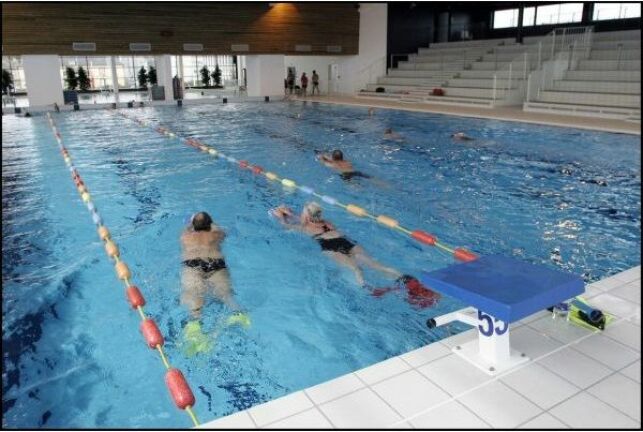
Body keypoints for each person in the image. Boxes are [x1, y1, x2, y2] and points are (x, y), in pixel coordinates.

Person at [270, 203, 440, 307]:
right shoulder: (328, 223)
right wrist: (293, 214)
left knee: (355, 270)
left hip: (330, 247)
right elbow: (311, 218)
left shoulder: (305, 227)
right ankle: (409, 281)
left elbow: (289, 226)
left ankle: (368, 290)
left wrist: (282, 218)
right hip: (347, 242)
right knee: (376, 265)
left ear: (306, 216)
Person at [180, 212, 250, 354]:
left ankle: (195, 327)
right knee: (226, 295)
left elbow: (187, 228)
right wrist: (212, 224)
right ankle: (238, 314)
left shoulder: (185, 236)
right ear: (210, 224)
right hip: (216, 264)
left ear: (193, 225)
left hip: (193, 265)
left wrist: (191, 223)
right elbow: (221, 230)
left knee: (195, 295)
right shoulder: (217, 235)